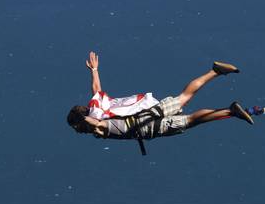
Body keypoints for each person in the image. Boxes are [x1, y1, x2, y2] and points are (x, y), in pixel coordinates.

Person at [66, 52, 253, 151]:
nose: (77, 131)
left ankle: (230, 111)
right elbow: (96, 89)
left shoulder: (98, 125)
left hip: (149, 126)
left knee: (190, 121)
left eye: (75, 127)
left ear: (81, 120)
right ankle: (216, 71)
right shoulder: (98, 106)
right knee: (184, 97)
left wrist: (83, 123)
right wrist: (94, 70)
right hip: (150, 108)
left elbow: (94, 123)